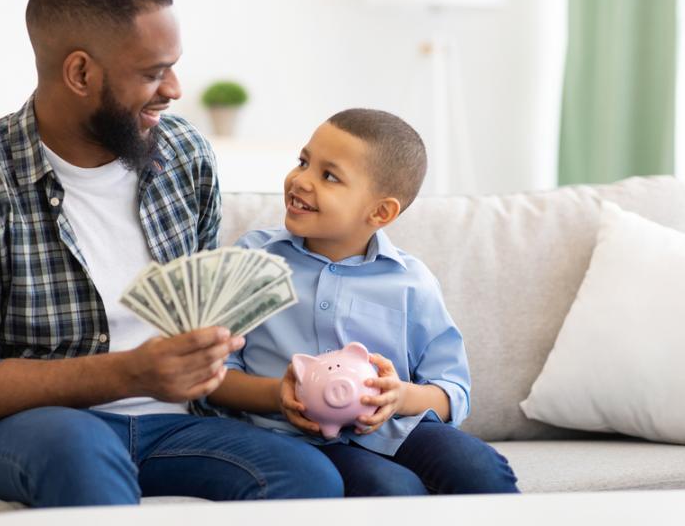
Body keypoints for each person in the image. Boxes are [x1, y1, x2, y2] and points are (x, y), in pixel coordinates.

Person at [0, 0, 343, 506]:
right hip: (45, 429)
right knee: (76, 446)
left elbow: (209, 322)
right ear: (81, 72)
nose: (176, 89)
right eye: (153, 73)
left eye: (174, 66)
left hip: (177, 428)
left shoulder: (185, 156)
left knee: (309, 476)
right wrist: (130, 373)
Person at [207, 108, 520, 496]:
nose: (301, 180)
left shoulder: (410, 281)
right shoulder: (252, 260)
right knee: (390, 487)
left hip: (396, 429)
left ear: (380, 211)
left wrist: (401, 396)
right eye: (303, 162)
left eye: (329, 176)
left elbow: (451, 391)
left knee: (479, 466)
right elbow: (214, 377)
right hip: (295, 440)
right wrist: (279, 396)